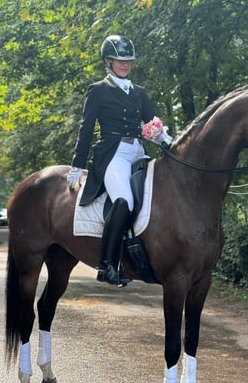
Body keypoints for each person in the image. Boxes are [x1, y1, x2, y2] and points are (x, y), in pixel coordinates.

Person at [67, 35, 172, 286]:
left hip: (138, 153)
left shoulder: (139, 93)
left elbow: (152, 125)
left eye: (128, 60)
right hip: (113, 155)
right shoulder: (98, 90)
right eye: (119, 60)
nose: (125, 65)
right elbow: (86, 128)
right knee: (124, 200)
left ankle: (140, 256)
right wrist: (77, 165)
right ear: (108, 62)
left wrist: (169, 142)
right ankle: (107, 264)